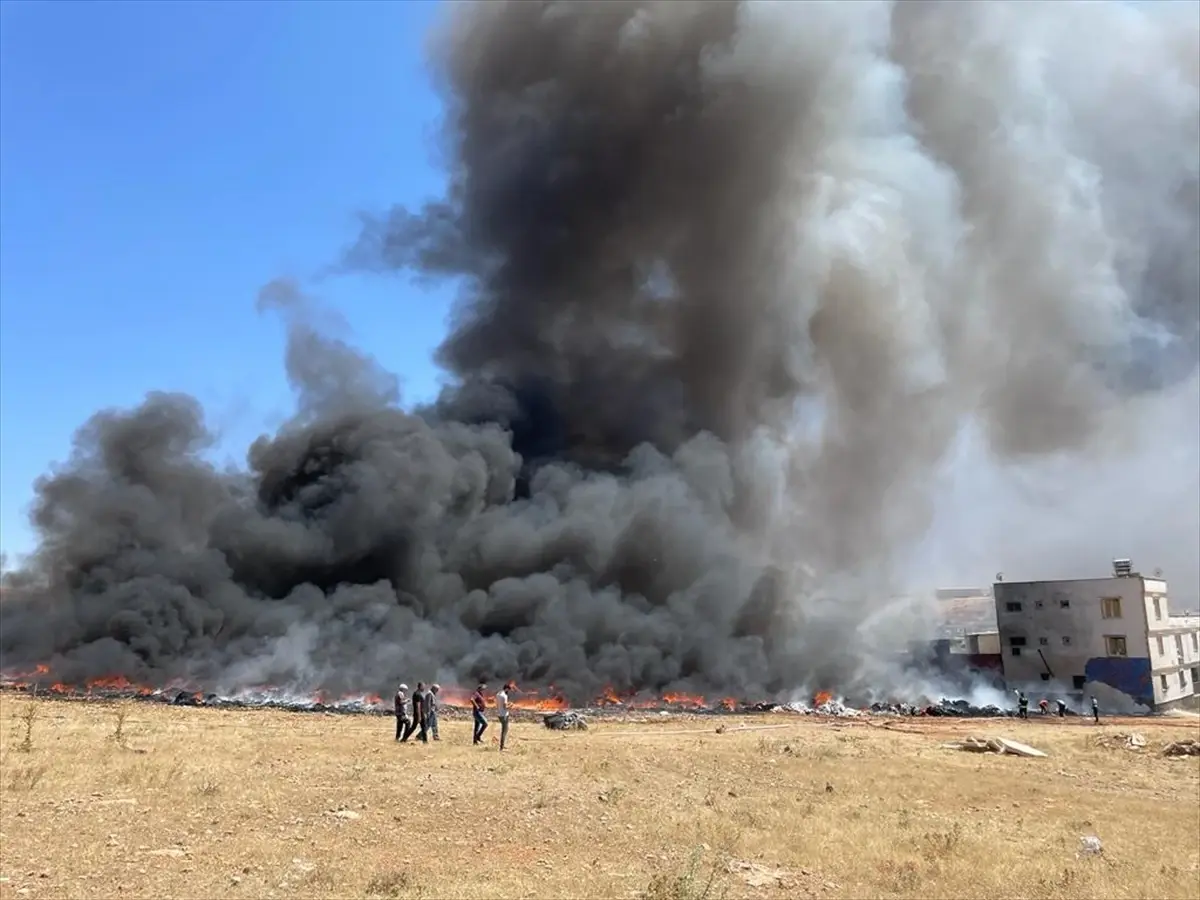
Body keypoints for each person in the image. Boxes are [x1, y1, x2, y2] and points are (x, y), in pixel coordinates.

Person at [496, 681, 513, 751]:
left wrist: (507, 703)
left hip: (499, 714)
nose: (508, 691)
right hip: (504, 715)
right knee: (504, 731)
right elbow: (505, 707)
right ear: (506, 689)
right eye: (508, 690)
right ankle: (501, 747)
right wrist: (511, 705)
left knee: (504, 730)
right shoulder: (504, 696)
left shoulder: (498, 694)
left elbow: (500, 704)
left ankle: (502, 745)